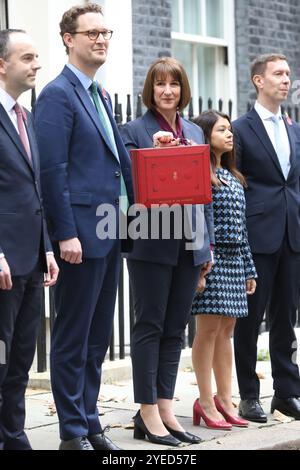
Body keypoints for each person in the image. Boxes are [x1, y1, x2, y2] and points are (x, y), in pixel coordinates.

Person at [34, 4, 134, 451]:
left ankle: (91, 420)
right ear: (67, 39)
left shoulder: (101, 95)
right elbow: (52, 171)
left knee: (97, 338)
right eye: (90, 33)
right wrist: (65, 233)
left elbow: (112, 163)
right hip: (80, 236)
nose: (100, 39)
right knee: (73, 337)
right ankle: (71, 431)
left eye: (105, 32)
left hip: (110, 231)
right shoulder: (58, 94)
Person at [120, 57, 214, 446]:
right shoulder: (133, 131)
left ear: (182, 89)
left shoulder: (194, 130)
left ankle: (164, 408)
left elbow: (204, 195)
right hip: (150, 242)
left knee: (175, 330)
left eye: (173, 84)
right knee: (149, 326)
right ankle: (146, 413)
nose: (167, 91)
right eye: (159, 84)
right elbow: (131, 188)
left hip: (189, 244)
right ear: (150, 89)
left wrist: (206, 244)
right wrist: (161, 154)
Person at [233, 53, 300, 422]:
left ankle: (287, 393)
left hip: (291, 234)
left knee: (286, 317)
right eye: (278, 73)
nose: (285, 80)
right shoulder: (241, 129)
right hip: (257, 236)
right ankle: (248, 395)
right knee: (249, 319)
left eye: (288, 74)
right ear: (259, 80)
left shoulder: (294, 128)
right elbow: (237, 181)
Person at [0, 29, 59, 450]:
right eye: (27, 57)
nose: (36, 64)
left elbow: (34, 191)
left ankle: (14, 436)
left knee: (21, 357)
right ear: (2, 64)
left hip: (32, 258)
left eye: (37, 57)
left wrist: (48, 248)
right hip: (3, 261)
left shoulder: (27, 116)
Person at [191, 110, 257, 430]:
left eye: (230, 129)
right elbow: (198, 223)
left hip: (234, 262)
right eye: (222, 129)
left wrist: (249, 269)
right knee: (208, 331)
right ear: (206, 135)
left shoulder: (233, 177)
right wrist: (201, 267)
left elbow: (242, 229)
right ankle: (204, 401)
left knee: (227, 330)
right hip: (212, 261)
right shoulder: (200, 174)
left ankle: (225, 398)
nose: (230, 134)